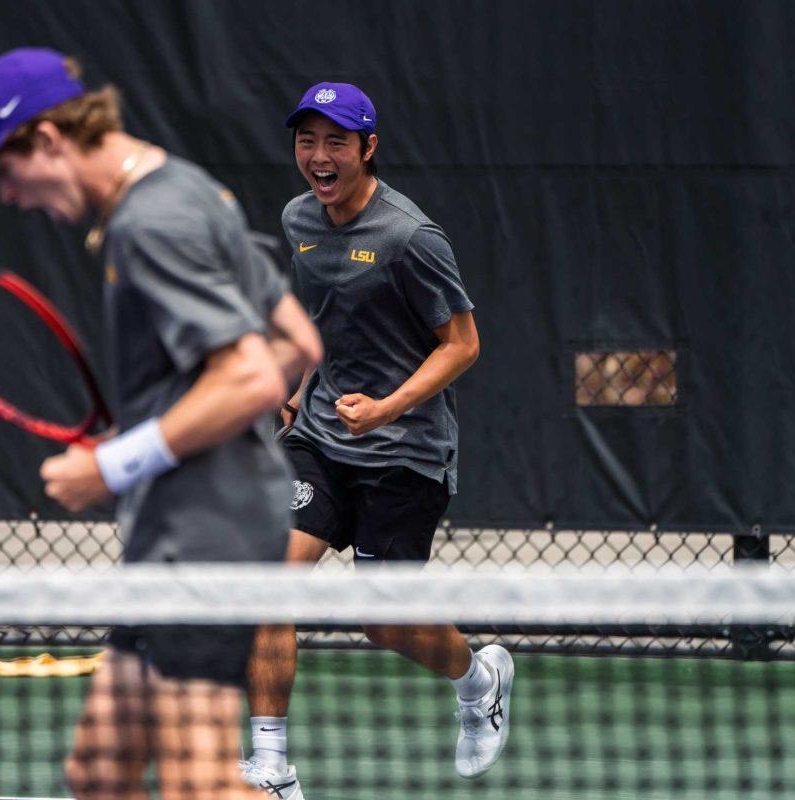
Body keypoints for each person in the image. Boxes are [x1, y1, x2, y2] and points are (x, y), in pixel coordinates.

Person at [0, 48, 321, 800]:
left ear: (49, 139)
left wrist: (116, 464)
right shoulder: (187, 188)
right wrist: (182, 422)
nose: (11, 198)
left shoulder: (149, 225)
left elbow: (251, 375)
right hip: (181, 526)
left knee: (197, 786)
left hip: (204, 535)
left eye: (7, 174)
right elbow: (296, 345)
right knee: (100, 771)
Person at [240, 83, 513, 797]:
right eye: (307, 140)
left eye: (336, 142)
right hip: (325, 438)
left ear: (368, 148)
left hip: (406, 452)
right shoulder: (299, 218)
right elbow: (320, 320)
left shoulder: (410, 238)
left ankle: (480, 680)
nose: (318, 157)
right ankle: (271, 768)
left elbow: (463, 345)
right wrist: (297, 388)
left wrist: (389, 407)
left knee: (383, 620)